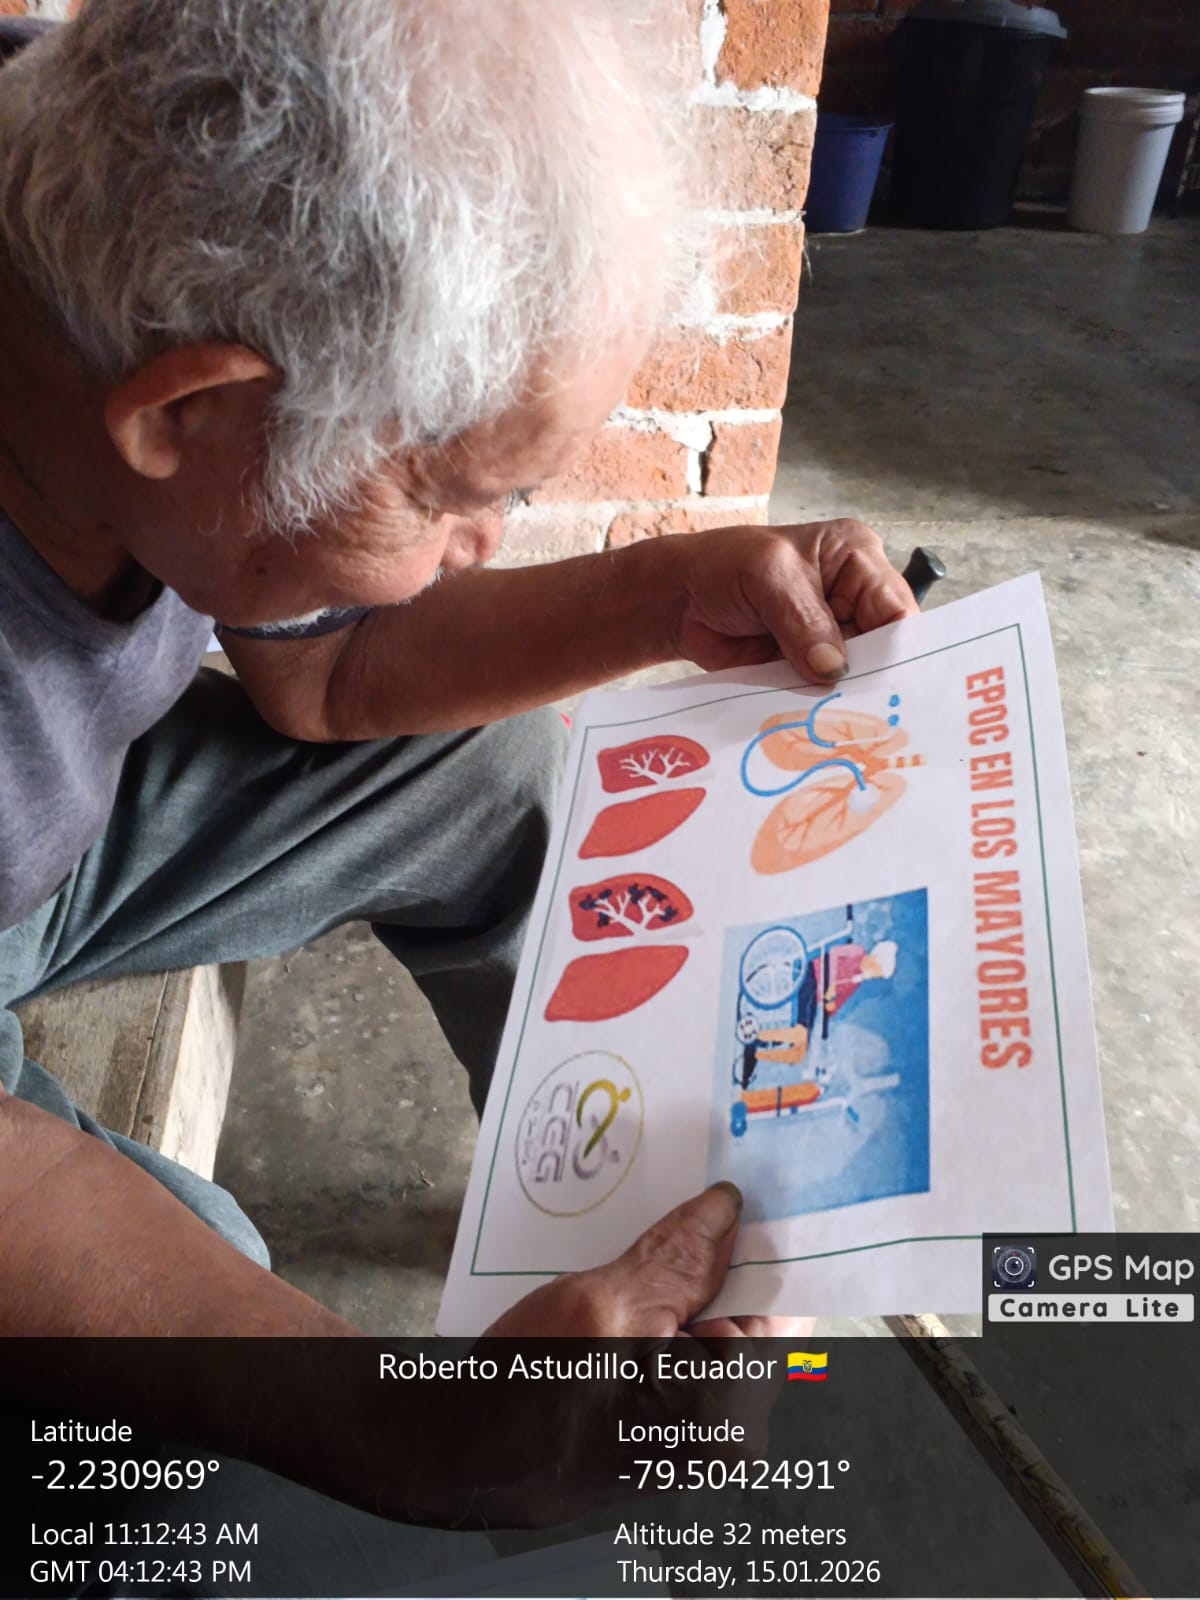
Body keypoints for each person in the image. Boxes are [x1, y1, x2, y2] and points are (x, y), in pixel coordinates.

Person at [0, 0, 917, 1524]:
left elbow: (328, 668)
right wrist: (414, 1432)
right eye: (455, 498)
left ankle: (616, 1207)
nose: (481, 545)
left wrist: (666, 594)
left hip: (65, 821)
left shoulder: (108, 169)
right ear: (188, 414)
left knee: (493, 781)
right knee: (174, 1419)